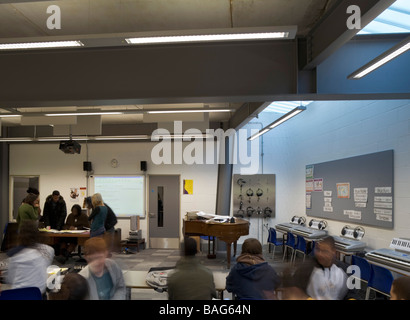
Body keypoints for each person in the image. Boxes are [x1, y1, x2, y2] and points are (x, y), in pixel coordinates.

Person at [282, 236, 351, 300]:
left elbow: (353, 293)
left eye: (325, 251)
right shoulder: (307, 267)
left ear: (333, 252)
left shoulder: (343, 270)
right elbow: (292, 290)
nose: (320, 254)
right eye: (318, 250)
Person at [5, 220, 54, 296]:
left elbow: (10, 279)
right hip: (38, 294)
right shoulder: (49, 250)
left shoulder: (15, 256)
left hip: (17, 295)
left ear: (20, 235)